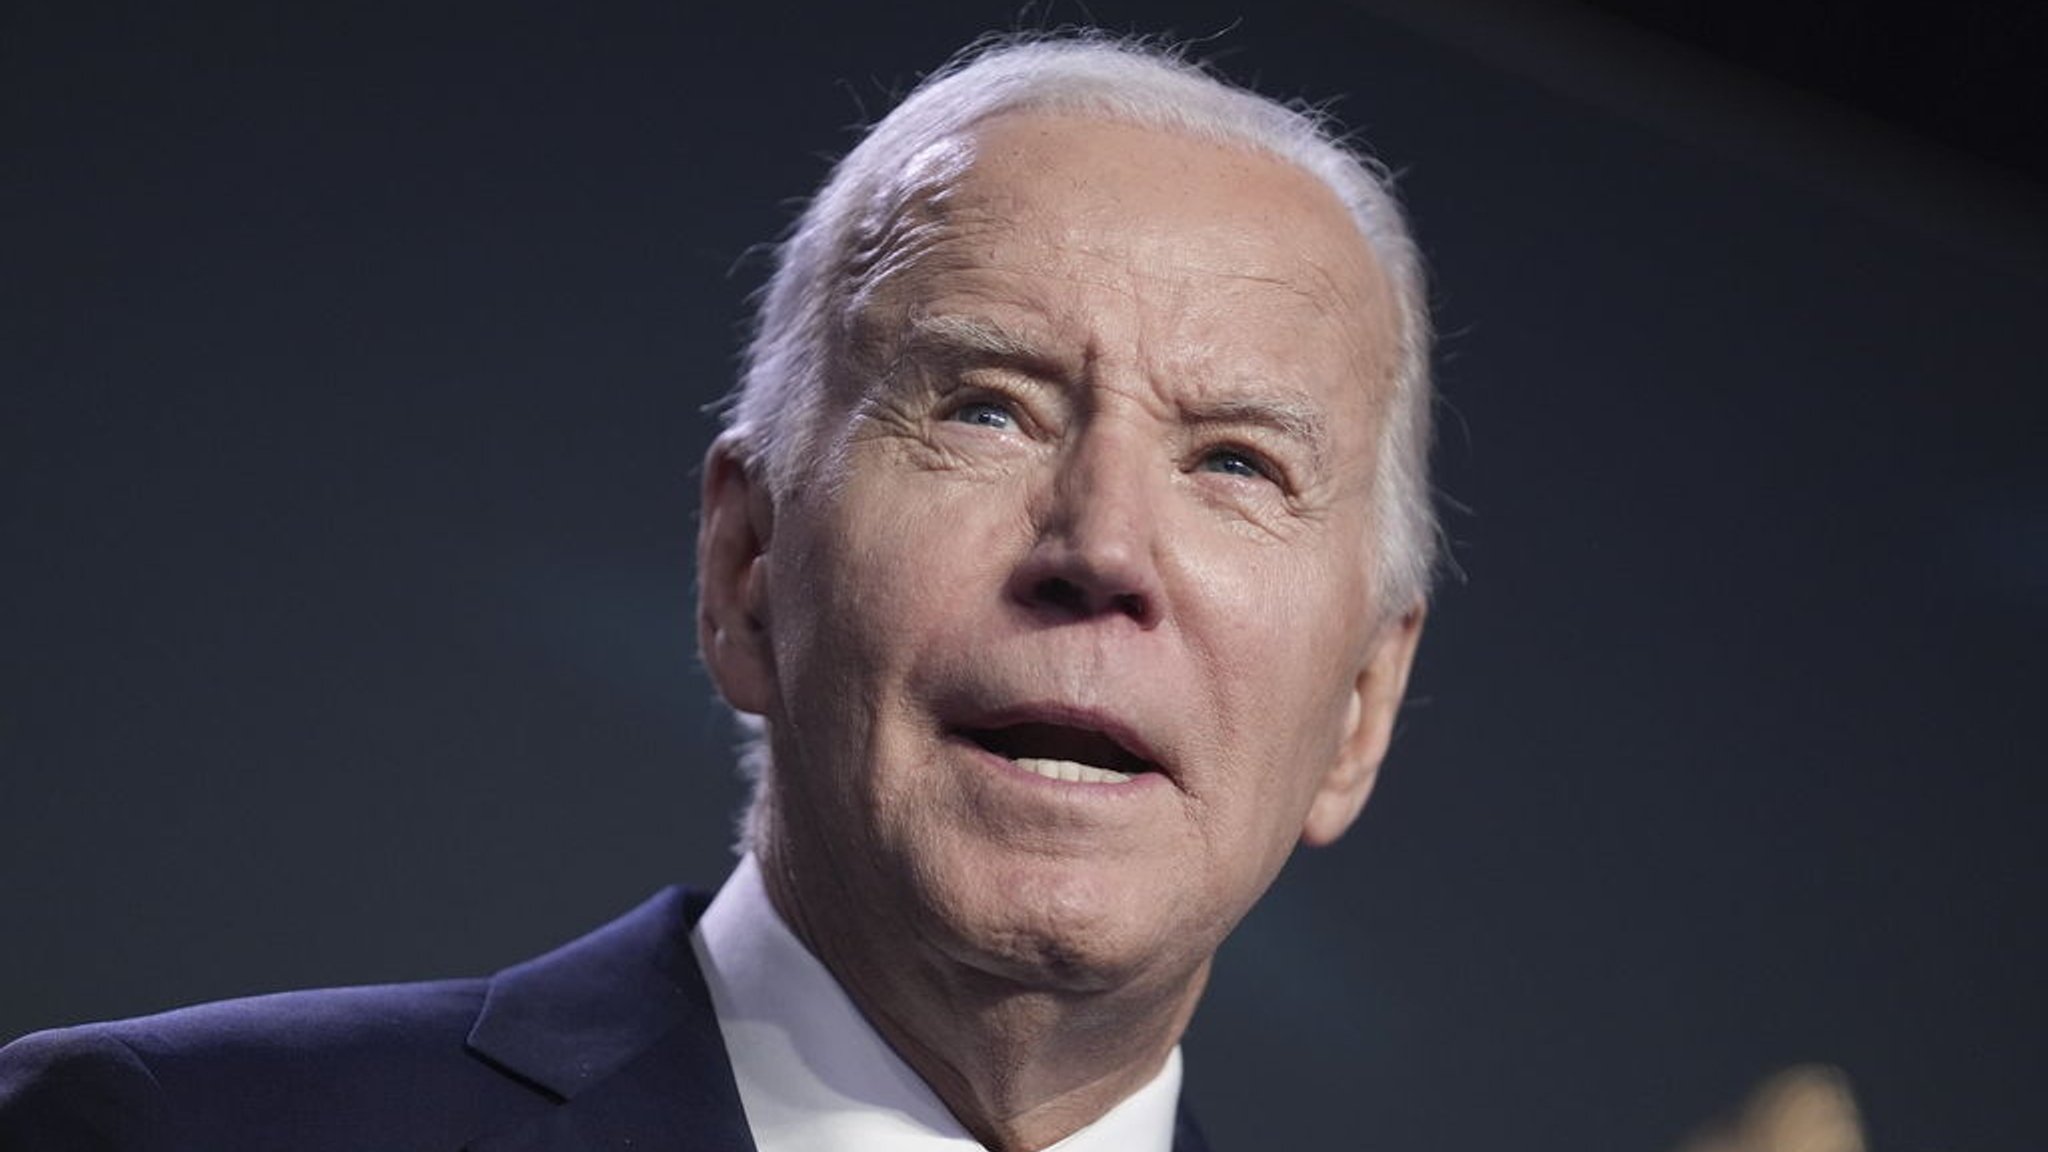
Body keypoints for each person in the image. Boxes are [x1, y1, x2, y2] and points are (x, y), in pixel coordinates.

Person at [0, 31, 1433, 1151]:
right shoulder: (167, 1132)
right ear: (746, 570)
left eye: (1237, 461)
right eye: (988, 409)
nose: (1103, 550)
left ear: (1362, 709)